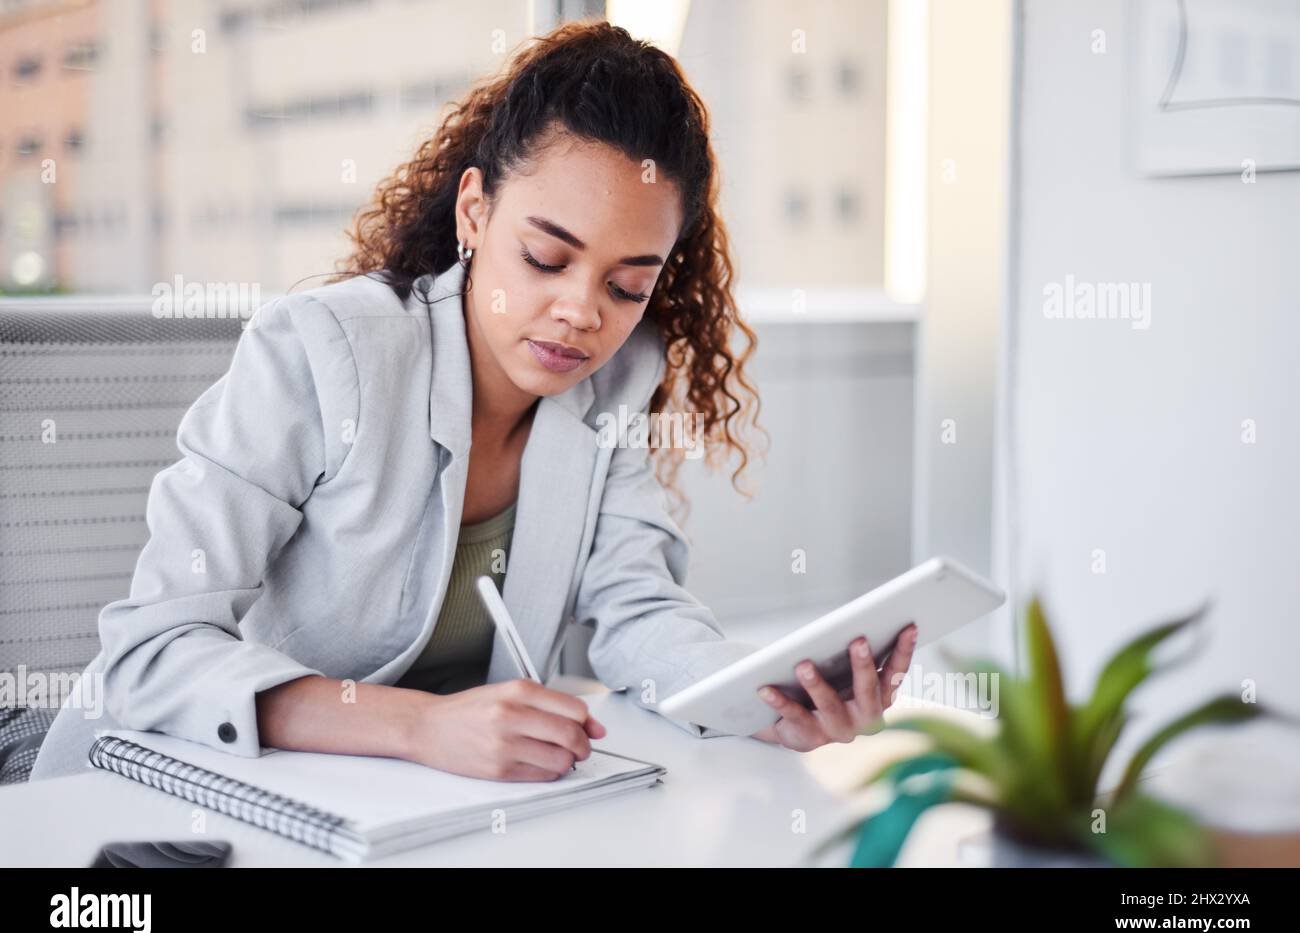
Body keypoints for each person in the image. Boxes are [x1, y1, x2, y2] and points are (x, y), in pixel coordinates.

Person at [29, 19, 916, 785]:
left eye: (627, 285)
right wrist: (418, 727)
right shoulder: (324, 351)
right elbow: (151, 649)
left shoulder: (616, 381)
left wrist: (762, 699)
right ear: (474, 212)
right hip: (171, 798)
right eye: (546, 257)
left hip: (412, 817)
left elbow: (638, 611)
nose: (581, 312)